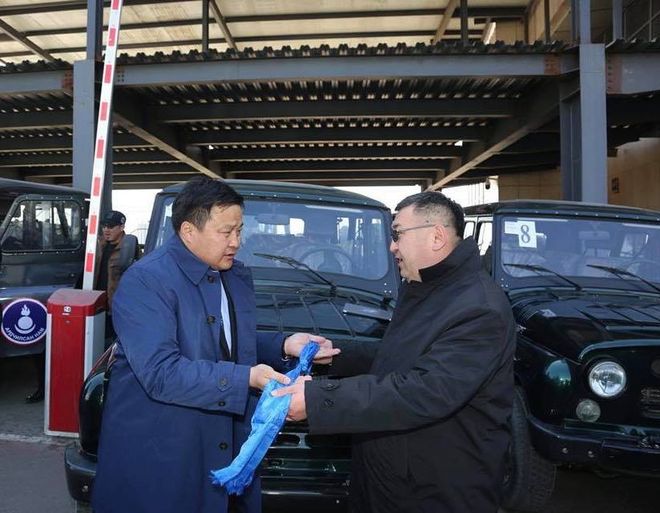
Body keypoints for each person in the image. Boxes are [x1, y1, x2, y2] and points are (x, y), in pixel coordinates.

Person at [91, 177, 338, 513]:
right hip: (165, 454)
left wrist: (284, 345)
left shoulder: (229, 274)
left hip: (218, 443)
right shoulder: (146, 281)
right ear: (188, 231)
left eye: (239, 230)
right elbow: (161, 373)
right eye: (226, 232)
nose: (237, 241)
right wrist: (246, 378)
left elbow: (224, 343)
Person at [274, 191, 516, 513]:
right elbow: (401, 355)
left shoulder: (479, 310)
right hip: (395, 476)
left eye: (398, 234)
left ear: (436, 237)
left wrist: (319, 399)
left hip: (435, 489)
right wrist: (336, 357)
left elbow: (425, 391)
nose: (392, 246)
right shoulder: (428, 286)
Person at [95, 210, 139, 345]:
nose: (106, 230)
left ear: (121, 227)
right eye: (104, 226)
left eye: (110, 226)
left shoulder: (129, 248)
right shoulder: (96, 245)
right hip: (97, 304)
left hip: (116, 307)